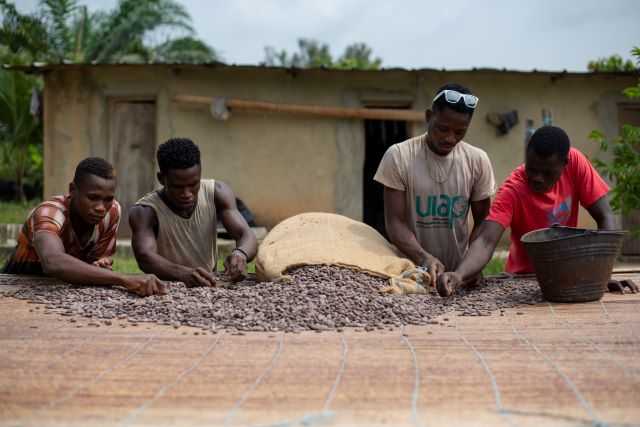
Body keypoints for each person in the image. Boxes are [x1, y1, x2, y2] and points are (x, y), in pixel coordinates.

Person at [437, 125, 616, 297]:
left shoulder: (576, 163)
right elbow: (486, 240)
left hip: (567, 277)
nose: (537, 178)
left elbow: (605, 216)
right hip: (522, 279)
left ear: (565, 164)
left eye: (547, 173)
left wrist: (603, 274)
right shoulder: (512, 190)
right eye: (532, 169)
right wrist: (459, 275)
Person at [374, 83, 496, 286]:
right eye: (442, 128)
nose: (450, 138)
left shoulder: (477, 160)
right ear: (429, 116)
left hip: (459, 277)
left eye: (460, 132)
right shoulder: (399, 156)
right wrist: (423, 258)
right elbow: (395, 223)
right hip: (411, 273)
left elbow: (482, 223)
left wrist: (467, 269)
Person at [2, 158, 166, 297]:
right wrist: (123, 278)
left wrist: (100, 263)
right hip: (18, 285)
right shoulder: (50, 212)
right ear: (73, 190)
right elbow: (53, 261)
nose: (101, 207)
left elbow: (101, 260)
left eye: (108, 199)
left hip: (65, 290)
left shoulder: (112, 211)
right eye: (93, 197)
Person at [129, 138, 257, 286]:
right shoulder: (145, 211)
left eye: (193, 184)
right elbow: (145, 257)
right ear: (161, 179)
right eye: (178, 187)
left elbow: (246, 235)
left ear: (200, 174)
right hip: (168, 287)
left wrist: (240, 254)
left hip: (210, 285)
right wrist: (183, 273)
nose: (187, 193)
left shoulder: (217, 193)